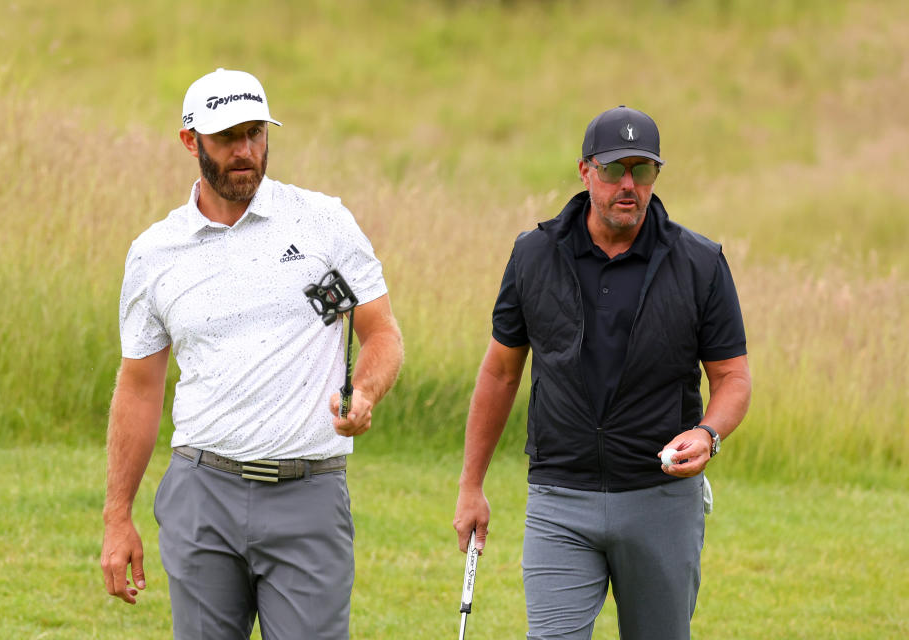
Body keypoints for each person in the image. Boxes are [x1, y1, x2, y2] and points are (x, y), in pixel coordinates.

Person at [100, 68, 404, 640]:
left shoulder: (323, 224)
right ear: (191, 141)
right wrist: (118, 516)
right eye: (228, 137)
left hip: (308, 494)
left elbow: (381, 332)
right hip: (200, 494)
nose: (246, 152)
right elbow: (139, 387)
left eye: (256, 133)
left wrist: (364, 392)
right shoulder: (154, 253)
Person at [453, 105, 751, 639]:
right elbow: (500, 373)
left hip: (661, 498)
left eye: (643, 169)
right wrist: (471, 485)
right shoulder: (534, 255)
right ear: (586, 170)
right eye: (615, 169)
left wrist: (708, 434)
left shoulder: (701, 263)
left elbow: (732, 378)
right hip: (559, 497)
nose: (629, 184)